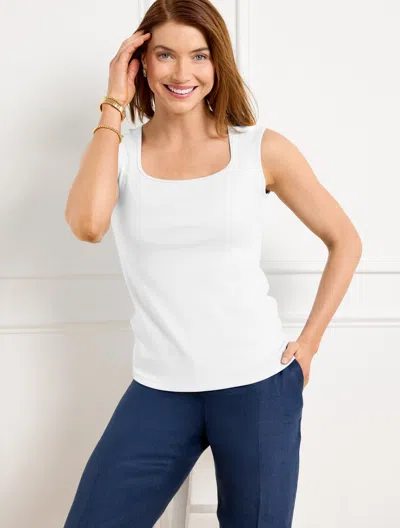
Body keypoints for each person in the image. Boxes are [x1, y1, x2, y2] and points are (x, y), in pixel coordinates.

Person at [63, 1, 362, 526]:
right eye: (165, 55)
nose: (183, 73)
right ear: (140, 63)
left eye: (199, 56)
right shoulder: (120, 152)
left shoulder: (260, 150)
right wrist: (113, 103)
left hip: (258, 386)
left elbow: (345, 240)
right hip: (159, 389)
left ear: (217, 62)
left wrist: (309, 344)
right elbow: (88, 225)